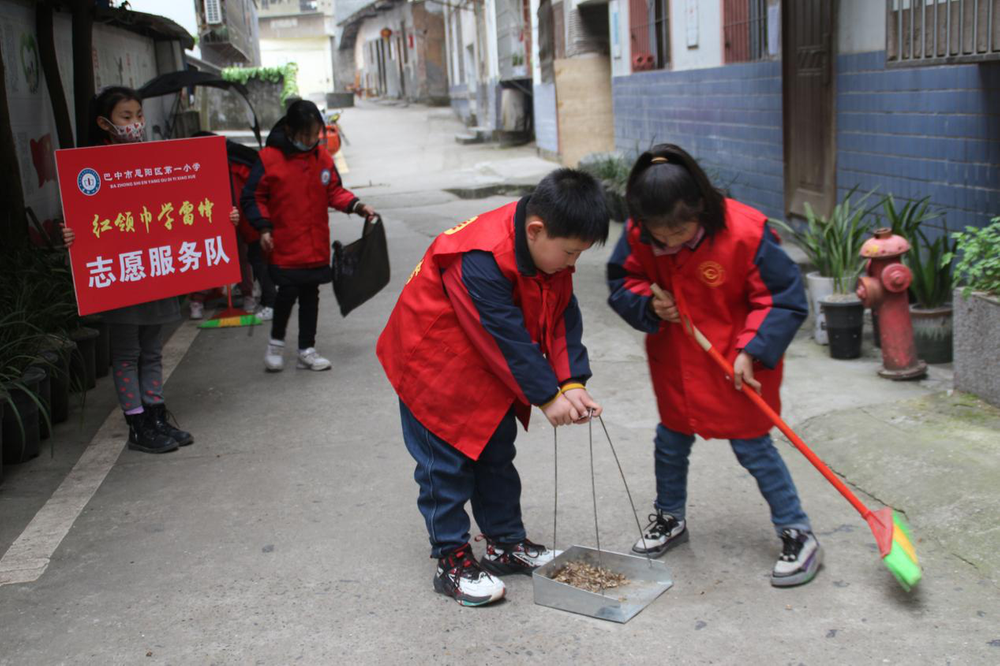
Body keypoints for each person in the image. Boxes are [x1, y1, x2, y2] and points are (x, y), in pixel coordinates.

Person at [376, 169, 609, 606]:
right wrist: (547, 395)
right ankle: (452, 560)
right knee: (445, 468)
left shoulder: (549, 251)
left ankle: (505, 544)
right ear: (535, 230)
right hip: (434, 368)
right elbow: (503, 334)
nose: (572, 264)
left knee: (496, 457)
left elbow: (560, 315)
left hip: (488, 370)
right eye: (570, 253)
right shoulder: (479, 256)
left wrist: (571, 381)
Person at [606, 144, 818, 587]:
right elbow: (622, 279)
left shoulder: (746, 233)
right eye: (659, 233)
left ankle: (797, 531)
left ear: (701, 205)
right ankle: (670, 517)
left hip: (734, 362)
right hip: (677, 362)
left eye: (680, 229)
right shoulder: (640, 232)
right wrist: (648, 301)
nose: (670, 240)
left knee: (753, 448)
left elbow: (781, 299)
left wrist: (752, 351)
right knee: (670, 440)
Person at [61, 86, 240, 454]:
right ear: (104, 122)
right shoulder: (89, 168)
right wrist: (71, 236)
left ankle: (156, 415)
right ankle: (137, 423)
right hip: (123, 276)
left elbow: (189, 207)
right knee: (126, 354)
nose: (136, 123)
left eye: (139, 115)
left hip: (154, 273)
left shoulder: (160, 161)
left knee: (153, 350)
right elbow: (85, 221)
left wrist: (224, 217)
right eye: (126, 117)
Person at [241, 100, 376, 372]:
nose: (311, 141)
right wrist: (264, 228)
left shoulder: (322, 159)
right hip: (285, 245)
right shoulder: (269, 159)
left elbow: (334, 191)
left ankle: (307, 350)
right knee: (287, 294)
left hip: (314, 245)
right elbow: (253, 197)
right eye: (305, 135)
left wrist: (357, 205)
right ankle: (276, 344)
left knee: (310, 296)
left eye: (315, 135)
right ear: (290, 130)